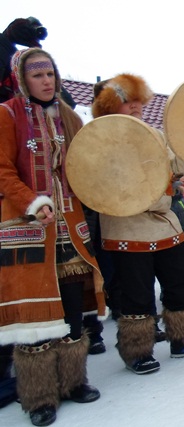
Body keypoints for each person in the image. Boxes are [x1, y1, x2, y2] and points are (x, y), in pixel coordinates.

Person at [0, 47, 107, 426]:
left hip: (69, 225)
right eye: (38, 76)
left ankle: (74, 381)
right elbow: (2, 170)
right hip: (29, 225)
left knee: (72, 307)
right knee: (35, 313)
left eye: (51, 75)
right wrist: (32, 202)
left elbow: (86, 162)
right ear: (22, 79)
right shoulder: (8, 114)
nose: (47, 82)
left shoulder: (68, 116)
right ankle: (40, 396)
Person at [91, 73, 184, 375]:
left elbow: (174, 166)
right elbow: (110, 186)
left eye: (137, 100)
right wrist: (163, 190)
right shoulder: (102, 139)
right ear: (110, 107)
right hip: (126, 225)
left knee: (180, 280)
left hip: (163, 220)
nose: (135, 106)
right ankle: (137, 352)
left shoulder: (155, 135)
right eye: (126, 101)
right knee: (136, 292)